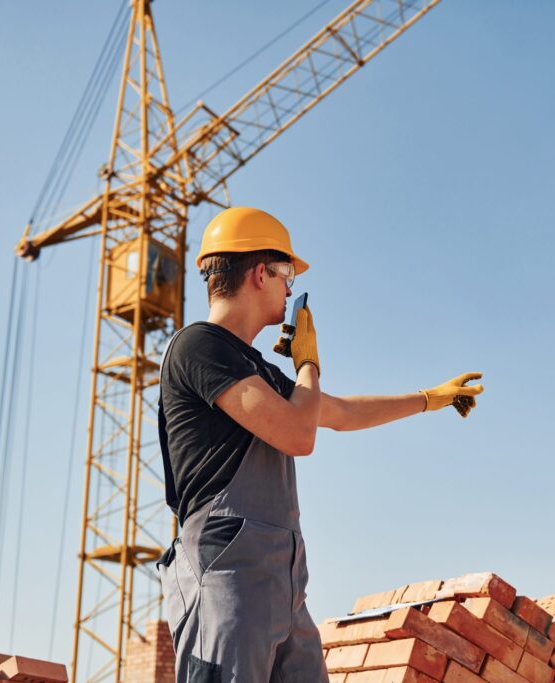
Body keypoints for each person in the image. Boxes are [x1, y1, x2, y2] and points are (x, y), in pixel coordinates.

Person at [156, 206, 483, 682]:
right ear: (261, 273)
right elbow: (298, 434)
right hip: (226, 575)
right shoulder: (199, 347)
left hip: (281, 581)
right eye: (286, 274)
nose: (291, 290)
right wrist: (308, 363)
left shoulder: (256, 371)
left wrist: (430, 399)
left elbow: (341, 413)